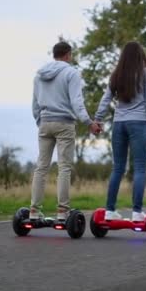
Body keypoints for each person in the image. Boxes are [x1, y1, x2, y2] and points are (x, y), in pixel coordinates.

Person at [30, 41, 101, 220]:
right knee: (64, 168)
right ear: (68, 55)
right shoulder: (71, 73)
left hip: (45, 123)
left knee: (41, 168)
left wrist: (41, 122)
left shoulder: (39, 75)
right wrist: (89, 122)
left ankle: (34, 210)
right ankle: (62, 211)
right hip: (64, 124)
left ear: (54, 54)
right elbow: (77, 102)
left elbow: (35, 104)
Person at [95, 41, 146, 222]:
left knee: (118, 168)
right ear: (140, 56)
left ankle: (109, 210)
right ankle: (137, 212)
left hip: (119, 124)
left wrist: (98, 119)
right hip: (139, 123)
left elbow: (105, 99)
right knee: (139, 167)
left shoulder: (116, 75)